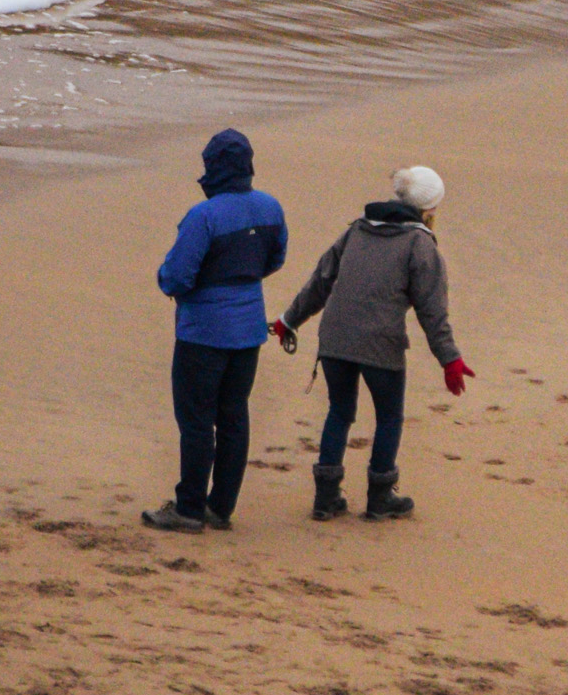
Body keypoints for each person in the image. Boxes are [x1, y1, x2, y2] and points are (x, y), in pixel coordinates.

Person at [272, 163, 475, 521]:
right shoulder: (420, 243)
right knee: (389, 417)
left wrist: (289, 320)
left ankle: (326, 498)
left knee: (339, 411)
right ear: (430, 209)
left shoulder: (357, 229)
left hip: (335, 336)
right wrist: (450, 359)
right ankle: (380, 498)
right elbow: (432, 311)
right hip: (380, 341)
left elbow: (321, 280)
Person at [145, 129, 288, 533]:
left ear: (213, 167)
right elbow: (275, 259)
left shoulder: (203, 215)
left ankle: (189, 509)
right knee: (233, 417)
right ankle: (220, 507)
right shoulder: (271, 207)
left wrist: (169, 281)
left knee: (196, 420)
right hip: (248, 330)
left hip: (203, 333)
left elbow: (177, 276)